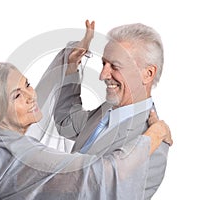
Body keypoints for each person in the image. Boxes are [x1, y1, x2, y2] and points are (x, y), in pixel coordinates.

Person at [0, 39, 172, 199]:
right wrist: (155, 135)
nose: (32, 95)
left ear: (148, 74)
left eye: (28, 85)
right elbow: (101, 175)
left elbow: (68, 121)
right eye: (17, 95)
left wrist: (70, 67)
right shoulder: (22, 156)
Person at [54, 20, 171, 199]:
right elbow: (66, 123)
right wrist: (71, 66)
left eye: (115, 66)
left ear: (147, 74)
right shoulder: (108, 109)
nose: (103, 76)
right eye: (104, 64)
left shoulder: (153, 145)